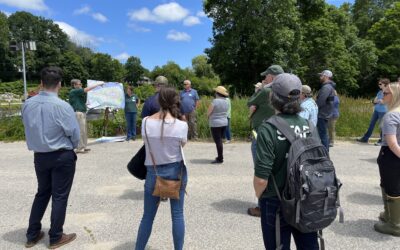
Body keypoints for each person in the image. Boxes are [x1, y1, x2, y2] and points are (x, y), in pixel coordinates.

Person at [254, 73, 319, 250]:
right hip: (306, 198)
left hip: (275, 200)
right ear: (299, 98)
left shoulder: (267, 129)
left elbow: (261, 179)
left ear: (272, 97)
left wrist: (261, 197)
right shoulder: (309, 126)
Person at [22, 67, 80, 249]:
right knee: (59, 196)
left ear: (41, 83)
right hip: (61, 155)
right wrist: (72, 146)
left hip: (39, 156)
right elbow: (74, 134)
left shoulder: (27, 104)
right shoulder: (62, 106)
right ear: (59, 85)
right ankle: (55, 236)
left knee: (42, 193)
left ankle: (32, 234)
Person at [135, 87, 188, 250]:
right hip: (176, 171)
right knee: (177, 215)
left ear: (159, 101)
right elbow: (183, 144)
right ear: (175, 102)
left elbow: (146, 142)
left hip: (153, 172)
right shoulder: (181, 125)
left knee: (147, 217)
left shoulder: (145, 122)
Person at [247, 65, 284, 217]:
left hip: (261, 133)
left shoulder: (267, 90)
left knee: (262, 169)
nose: (264, 78)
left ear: (272, 77)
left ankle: (262, 206)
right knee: (276, 169)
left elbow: (250, 103)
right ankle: (278, 203)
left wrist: (260, 89)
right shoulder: (283, 90)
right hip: (277, 132)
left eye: (267, 76)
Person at [374, 82, 400, 237]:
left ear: (395, 95)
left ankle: (395, 225)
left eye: (386, 93)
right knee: (393, 186)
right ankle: (389, 214)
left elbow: (392, 143)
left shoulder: (391, 115)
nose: (383, 95)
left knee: (391, 188)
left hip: (391, 156)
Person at [69, 79, 103, 153]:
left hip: (82, 113)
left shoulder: (79, 93)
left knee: (84, 131)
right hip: (78, 113)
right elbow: (87, 89)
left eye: (81, 84)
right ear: (74, 85)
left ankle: (83, 146)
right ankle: (79, 147)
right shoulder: (74, 91)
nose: (81, 85)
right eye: (79, 84)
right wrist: (98, 84)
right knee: (80, 131)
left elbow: (84, 100)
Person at [357, 78, 390, 145]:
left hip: (383, 111)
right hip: (376, 110)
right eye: (379, 84)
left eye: (380, 84)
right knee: (371, 124)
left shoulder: (388, 92)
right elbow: (375, 101)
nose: (379, 85)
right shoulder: (380, 92)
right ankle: (365, 138)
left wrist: (379, 101)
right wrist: (379, 101)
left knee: (382, 126)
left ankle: (382, 141)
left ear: (385, 84)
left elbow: (383, 102)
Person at [207, 86, 229, 164]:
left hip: (215, 123)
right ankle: (220, 156)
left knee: (218, 141)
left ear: (217, 93)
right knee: (220, 140)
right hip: (224, 122)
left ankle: (220, 158)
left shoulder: (215, 101)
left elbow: (209, 112)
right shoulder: (226, 101)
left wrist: (208, 116)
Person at [316, 69, 335, 151]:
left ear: (326, 77)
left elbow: (320, 101)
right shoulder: (328, 86)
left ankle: (325, 153)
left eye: (321, 75)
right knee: (323, 134)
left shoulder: (326, 87)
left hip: (322, 114)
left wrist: (314, 108)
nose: (320, 77)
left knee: (323, 134)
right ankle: (324, 151)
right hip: (325, 113)